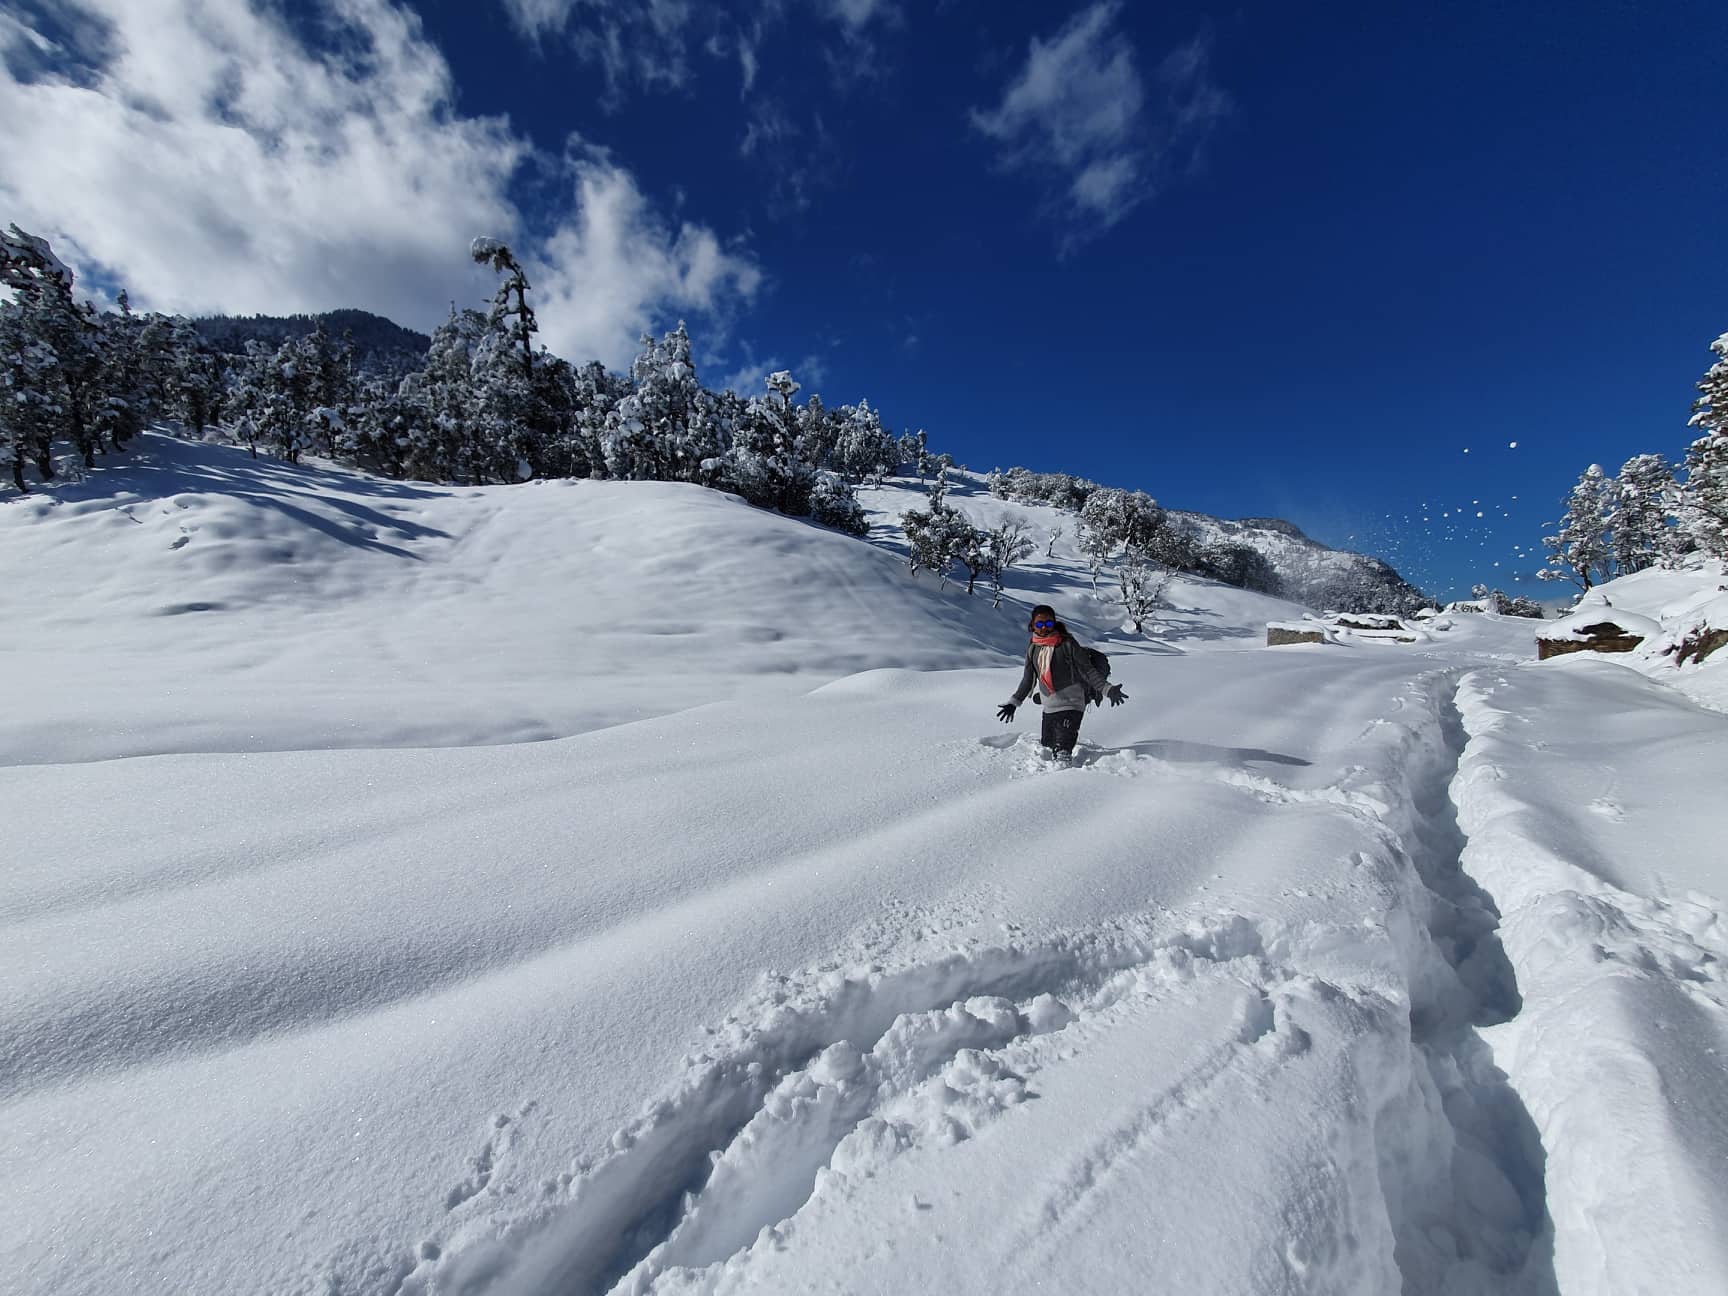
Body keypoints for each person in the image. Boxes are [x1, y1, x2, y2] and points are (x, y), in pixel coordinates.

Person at [996, 604, 1127, 762]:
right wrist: (1014, 702)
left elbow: (1088, 671)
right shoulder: (1033, 648)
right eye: (1039, 624)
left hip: (1072, 704)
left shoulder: (1067, 644)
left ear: (1054, 623)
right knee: (1047, 747)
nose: (1044, 627)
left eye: (1049, 623)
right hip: (1049, 706)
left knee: (1062, 752)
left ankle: (1064, 784)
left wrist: (1108, 689)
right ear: (1032, 625)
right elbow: (1028, 679)